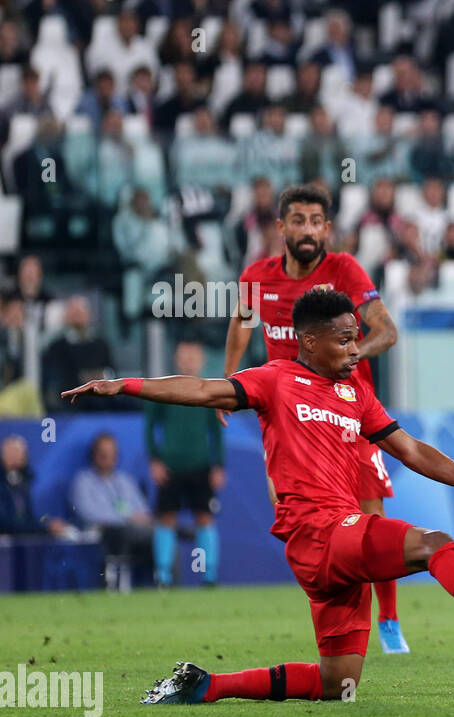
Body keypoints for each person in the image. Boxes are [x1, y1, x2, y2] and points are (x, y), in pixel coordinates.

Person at [64, 288, 454, 704]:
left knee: (339, 684)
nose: (354, 349)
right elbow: (202, 390)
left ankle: (206, 685)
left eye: (356, 338)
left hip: (337, 547)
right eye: (343, 340)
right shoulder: (274, 380)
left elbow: (410, 449)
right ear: (308, 342)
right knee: (433, 544)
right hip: (317, 533)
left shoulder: (356, 393)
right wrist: (125, 385)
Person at [221, 183, 409, 653]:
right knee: (298, 516)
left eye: (316, 221)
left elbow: (386, 331)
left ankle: (387, 620)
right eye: (298, 221)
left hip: (350, 408)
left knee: (370, 514)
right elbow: (241, 326)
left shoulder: (344, 269)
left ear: (328, 228)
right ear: (280, 227)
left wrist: (348, 354)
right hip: (288, 414)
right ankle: (335, 616)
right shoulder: (255, 278)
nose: (307, 230)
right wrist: (229, 382)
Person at [147, 341, 224, 586]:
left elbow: (217, 431)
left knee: (204, 518)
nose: (189, 361)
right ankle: (164, 576)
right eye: (185, 356)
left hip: (200, 465)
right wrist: (155, 460)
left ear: (202, 360)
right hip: (170, 466)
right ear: (176, 359)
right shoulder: (163, 390)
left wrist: (218, 465)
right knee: (167, 518)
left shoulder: (210, 391)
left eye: (194, 356)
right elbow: (149, 427)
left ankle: (209, 576)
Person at [68, 433, 153, 590]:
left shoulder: (125, 480)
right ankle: (114, 586)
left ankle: (167, 586)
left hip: (133, 530)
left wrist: (137, 519)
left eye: (112, 454)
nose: (108, 459)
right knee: (124, 533)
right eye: (103, 454)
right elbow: (87, 512)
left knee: (162, 536)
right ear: (94, 455)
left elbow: (142, 510)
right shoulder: (83, 481)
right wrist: (126, 518)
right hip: (103, 532)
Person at [1, 434, 69, 536]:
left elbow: (27, 517)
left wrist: (47, 527)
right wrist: (45, 528)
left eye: (18, 453)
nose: (14, 457)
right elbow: (6, 523)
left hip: (25, 541)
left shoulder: (25, 482)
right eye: (10, 453)